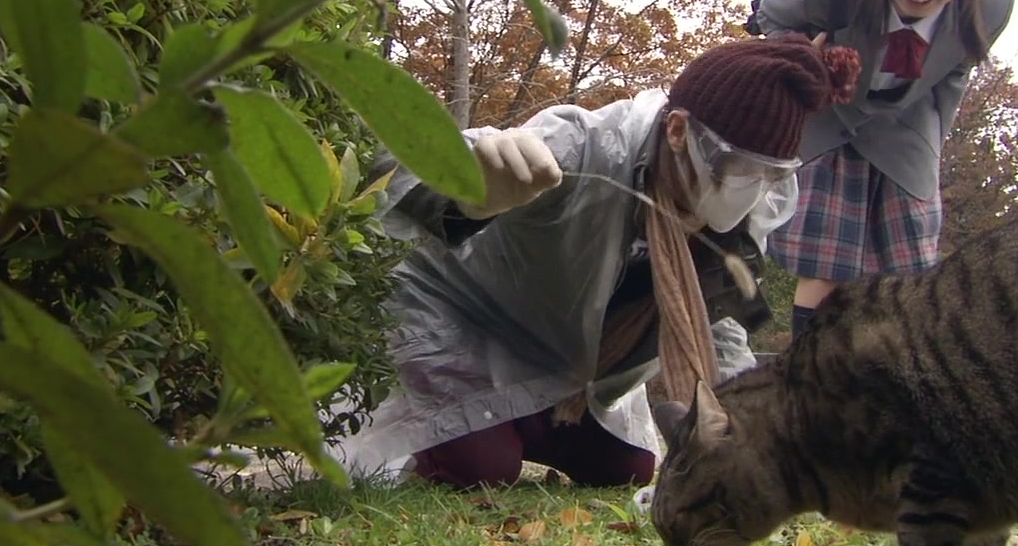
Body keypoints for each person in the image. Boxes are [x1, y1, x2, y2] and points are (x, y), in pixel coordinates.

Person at [336, 34, 861, 490]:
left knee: (627, 469)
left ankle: (524, 419)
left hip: (566, 360)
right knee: (481, 468)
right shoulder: (582, 146)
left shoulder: (750, 213)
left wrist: (744, 416)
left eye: (769, 173)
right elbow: (397, 161)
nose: (749, 188)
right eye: (734, 165)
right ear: (678, 131)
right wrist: (471, 192)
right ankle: (487, 433)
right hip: (472, 324)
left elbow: (712, 320)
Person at [748, 0, 1015, 339]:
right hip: (830, 125)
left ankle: (881, 377)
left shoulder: (992, 2)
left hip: (906, 135)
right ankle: (810, 373)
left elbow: (955, 73)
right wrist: (797, 53)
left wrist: (931, 151)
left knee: (909, 286)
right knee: (826, 272)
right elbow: (767, 19)